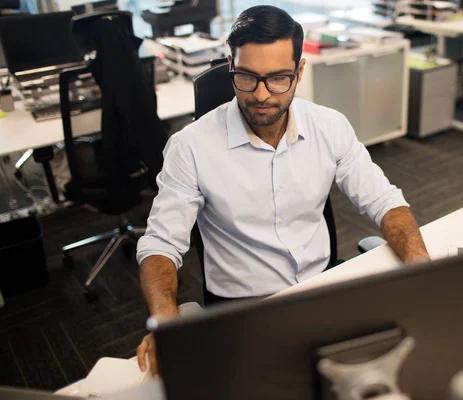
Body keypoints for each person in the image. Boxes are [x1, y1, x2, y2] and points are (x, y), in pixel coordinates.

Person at [136, 5, 430, 376]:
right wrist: (165, 320)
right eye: (247, 77)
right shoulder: (190, 147)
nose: (261, 95)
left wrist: (421, 266)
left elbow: (385, 202)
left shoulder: (329, 127)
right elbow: (161, 245)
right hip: (243, 311)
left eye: (277, 78)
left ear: (299, 72)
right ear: (231, 66)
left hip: (325, 289)